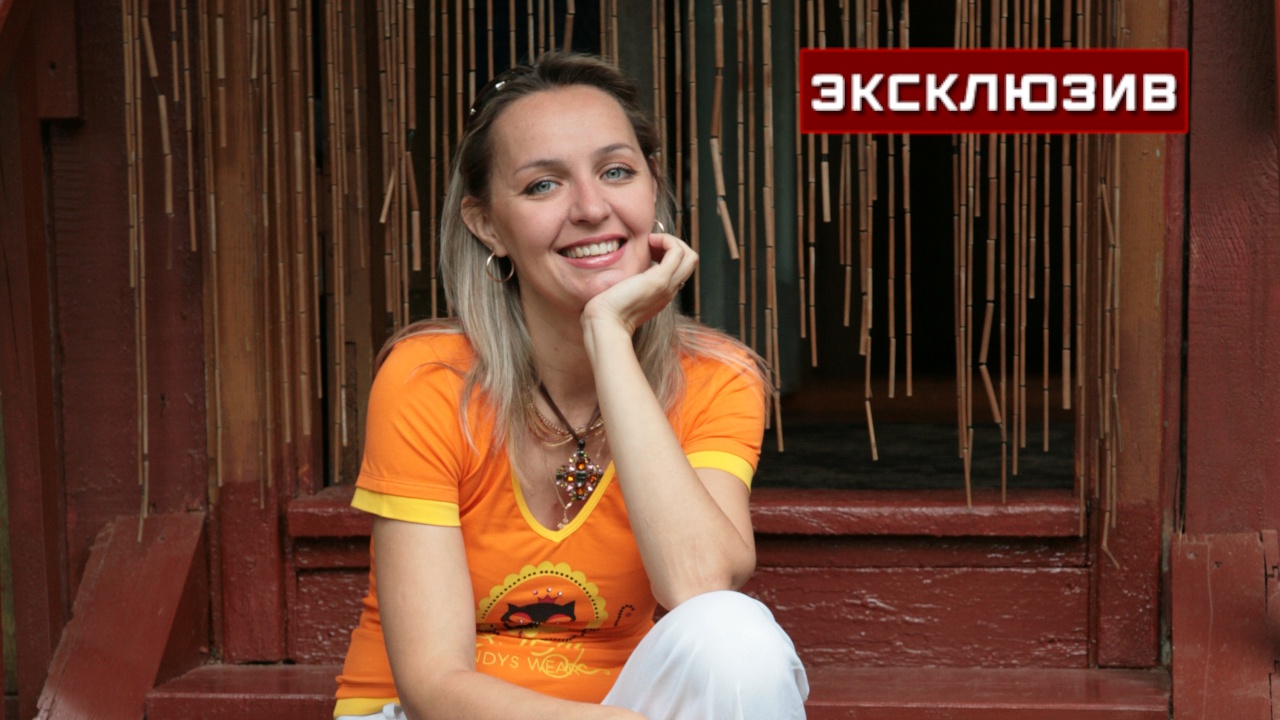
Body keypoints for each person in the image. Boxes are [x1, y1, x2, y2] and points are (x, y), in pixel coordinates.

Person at [333, 52, 809, 720]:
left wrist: (609, 336)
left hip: (622, 701)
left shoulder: (717, 378)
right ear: (487, 225)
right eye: (542, 186)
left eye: (616, 172)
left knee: (735, 636)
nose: (591, 208)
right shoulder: (429, 378)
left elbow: (700, 584)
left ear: (653, 191)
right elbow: (433, 686)